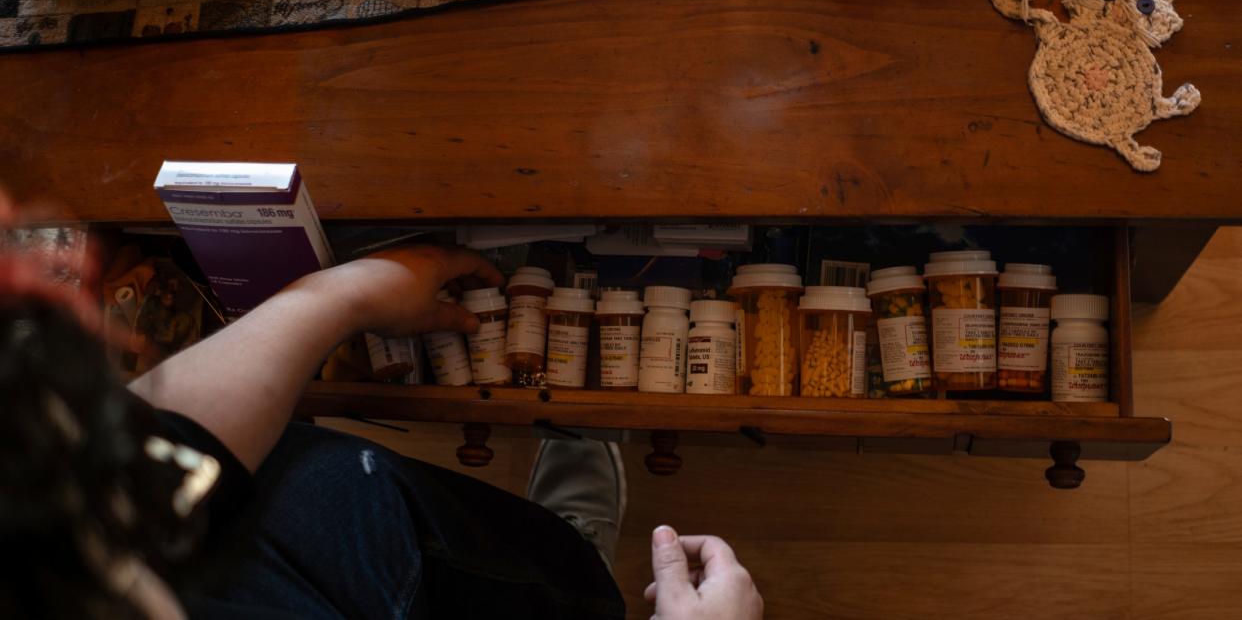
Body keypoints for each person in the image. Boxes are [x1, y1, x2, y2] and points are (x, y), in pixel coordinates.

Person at [0, 214, 764, 619]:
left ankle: (566, 565)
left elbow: (137, 457)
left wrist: (345, 293)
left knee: (323, 481)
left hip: (319, 549)